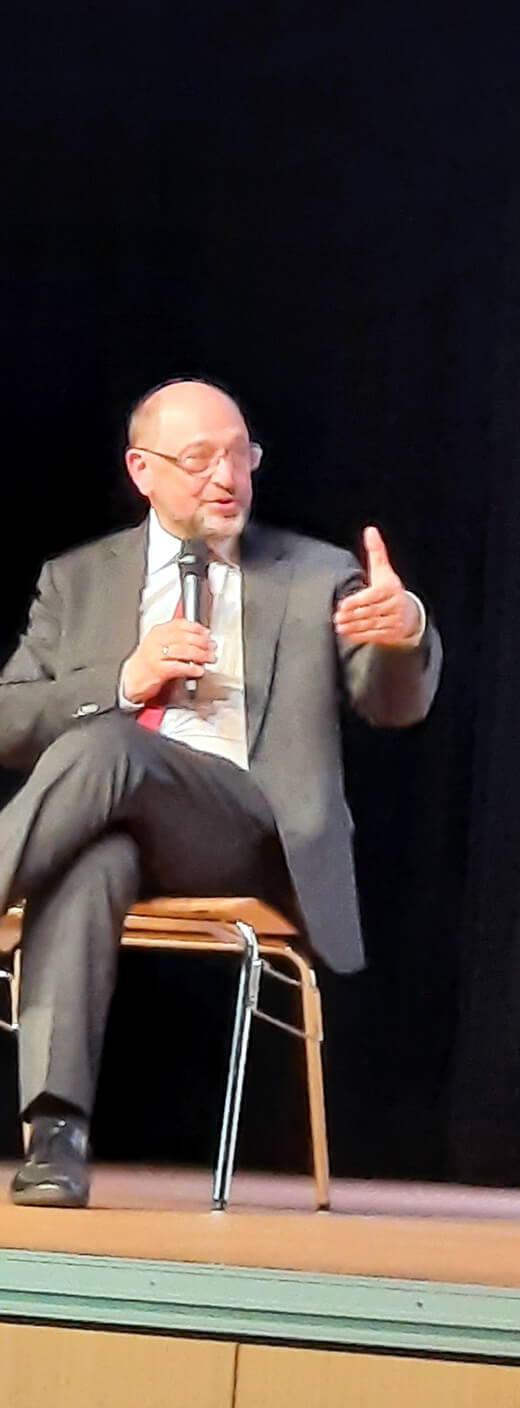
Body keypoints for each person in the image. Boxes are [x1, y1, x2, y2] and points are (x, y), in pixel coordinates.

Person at [0, 378, 442, 1207]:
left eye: (241, 455)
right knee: (89, 854)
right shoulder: (78, 581)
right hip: (113, 816)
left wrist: (406, 629)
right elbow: (8, 718)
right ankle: (56, 1136)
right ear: (142, 470)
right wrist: (121, 678)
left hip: (249, 830)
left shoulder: (316, 575)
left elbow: (391, 703)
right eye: (199, 458)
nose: (225, 477)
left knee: (104, 748)